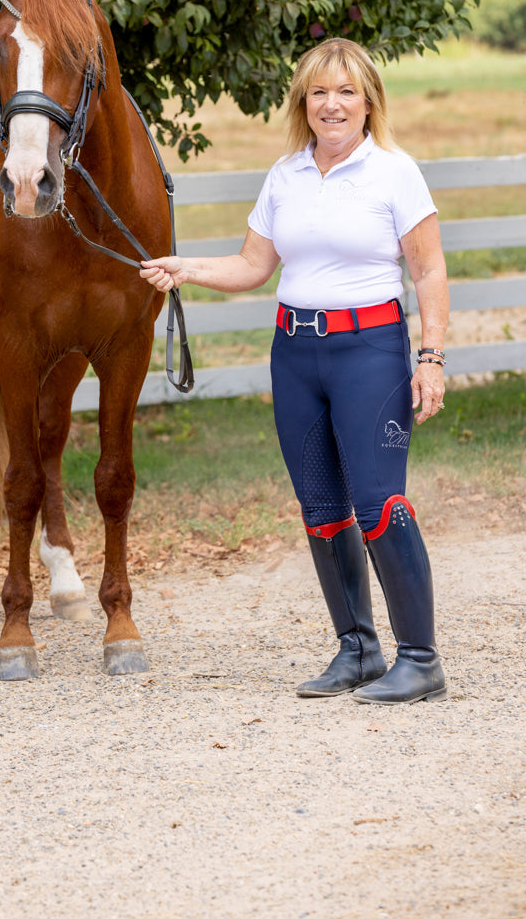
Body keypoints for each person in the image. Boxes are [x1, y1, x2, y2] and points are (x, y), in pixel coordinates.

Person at [140, 38, 449, 706]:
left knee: (378, 502)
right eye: (318, 93)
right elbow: (255, 267)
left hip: (369, 350)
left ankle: (420, 660)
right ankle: (358, 650)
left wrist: (431, 357)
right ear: (302, 104)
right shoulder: (286, 174)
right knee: (321, 507)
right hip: (296, 353)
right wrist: (184, 267)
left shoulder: (393, 172)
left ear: (368, 103)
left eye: (345, 92)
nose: (331, 105)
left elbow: (427, 270)